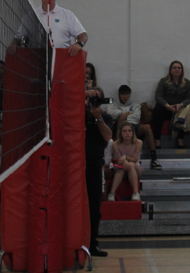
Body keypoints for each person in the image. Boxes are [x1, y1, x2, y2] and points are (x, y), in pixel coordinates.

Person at [15, 0, 87, 55]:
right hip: (36, 59)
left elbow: (83, 35)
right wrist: (14, 44)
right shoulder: (31, 16)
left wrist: (78, 44)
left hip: (62, 58)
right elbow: (18, 37)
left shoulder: (67, 15)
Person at [107, 85, 162, 170]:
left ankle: (154, 158)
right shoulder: (113, 105)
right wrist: (125, 114)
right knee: (121, 118)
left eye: (127, 94)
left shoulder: (136, 106)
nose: (125, 96)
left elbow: (136, 117)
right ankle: (119, 149)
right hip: (119, 127)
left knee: (146, 127)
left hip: (133, 126)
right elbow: (110, 114)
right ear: (119, 95)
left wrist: (121, 115)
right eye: (122, 94)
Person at [85, 92, 112, 257]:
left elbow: (108, 137)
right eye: (90, 99)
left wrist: (97, 117)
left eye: (97, 100)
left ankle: (92, 244)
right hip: (74, 166)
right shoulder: (78, 115)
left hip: (94, 166)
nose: (93, 103)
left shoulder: (104, 118)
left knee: (94, 208)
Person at [152, 60, 190, 149]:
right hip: (166, 108)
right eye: (174, 68)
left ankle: (180, 139)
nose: (177, 69)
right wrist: (167, 106)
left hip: (180, 109)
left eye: (179, 68)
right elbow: (158, 97)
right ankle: (157, 140)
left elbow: (189, 98)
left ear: (182, 70)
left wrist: (181, 105)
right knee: (157, 109)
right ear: (170, 70)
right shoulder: (163, 81)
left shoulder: (187, 83)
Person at [107, 122, 143, 202]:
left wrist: (125, 158)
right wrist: (124, 162)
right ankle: (112, 193)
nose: (127, 133)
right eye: (124, 131)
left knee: (130, 164)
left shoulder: (139, 143)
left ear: (133, 133)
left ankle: (136, 193)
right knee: (122, 167)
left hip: (135, 167)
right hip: (120, 166)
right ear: (120, 133)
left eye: (130, 131)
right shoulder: (115, 144)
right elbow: (118, 160)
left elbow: (134, 159)